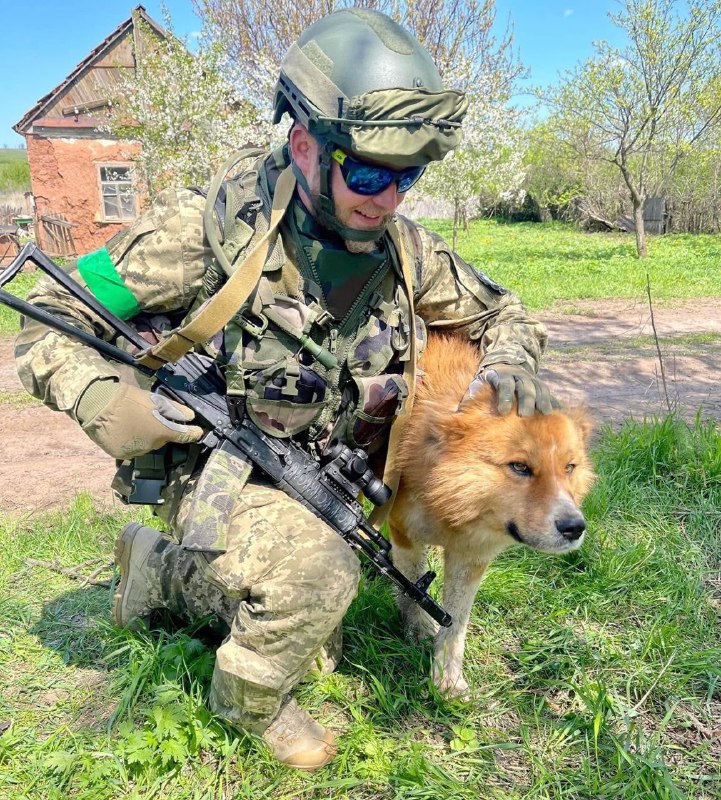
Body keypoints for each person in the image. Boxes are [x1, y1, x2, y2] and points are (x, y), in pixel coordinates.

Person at [15, 9, 553, 771]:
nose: (387, 197)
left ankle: (155, 570)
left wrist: (507, 363)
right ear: (304, 143)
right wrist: (106, 401)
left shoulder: (402, 249)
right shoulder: (205, 230)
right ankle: (247, 703)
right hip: (217, 461)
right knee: (318, 575)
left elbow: (502, 310)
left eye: (408, 176)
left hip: (323, 475)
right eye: (367, 171)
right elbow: (49, 316)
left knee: (324, 603)